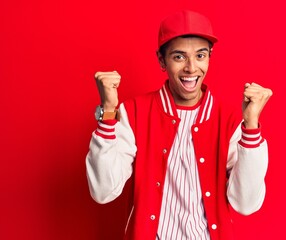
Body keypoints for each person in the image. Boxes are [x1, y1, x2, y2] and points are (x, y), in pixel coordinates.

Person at [86, 10, 273, 240]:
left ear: (210, 57)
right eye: (179, 57)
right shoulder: (134, 113)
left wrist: (251, 126)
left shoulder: (229, 119)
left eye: (200, 56)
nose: (191, 68)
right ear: (161, 60)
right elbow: (103, 191)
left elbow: (246, 204)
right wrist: (108, 111)